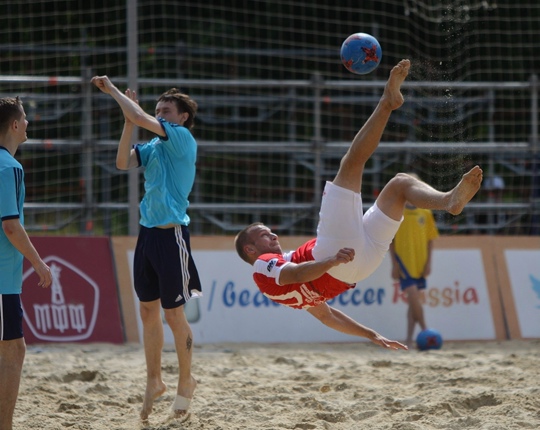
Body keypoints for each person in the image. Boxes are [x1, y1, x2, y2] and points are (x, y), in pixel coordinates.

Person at [235, 60, 483, 350]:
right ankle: (387, 102)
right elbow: (297, 273)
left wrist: (370, 334)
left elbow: (327, 316)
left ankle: (448, 200)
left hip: (359, 267)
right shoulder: (262, 265)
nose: (273, 235)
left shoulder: (278, 287)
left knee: (400, 185)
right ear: (250, 250)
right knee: (351, 163)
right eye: (264, 235)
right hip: (335, 258)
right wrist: (331, 261)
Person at [91, 77, 202, 421]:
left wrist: (113, 92)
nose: (161, 115)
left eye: (166, 111)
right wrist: (129, 121)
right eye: (158, 111)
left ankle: (186, 380)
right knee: (147, 312)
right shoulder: (154, 145)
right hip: (147, 235)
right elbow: (122, 162)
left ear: (182, 117)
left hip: (172, 236)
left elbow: (140, 117)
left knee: (174, 315)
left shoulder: (181, 138)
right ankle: (154, 380)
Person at [0, 96, 53, 430]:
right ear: (15, 124)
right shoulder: (9, 167)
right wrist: (38, 263)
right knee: (13, 349)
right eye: (25, 118)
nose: (29, 123)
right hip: (2, 278)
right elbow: (11, 225)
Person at [389, 173, 440, 347]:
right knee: (413, 297)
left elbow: (431, 240)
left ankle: (409, 340)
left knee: (413, 303)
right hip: (403, 262)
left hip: (420, 262)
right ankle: (426, 330)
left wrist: (429, 263)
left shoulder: (425, 212)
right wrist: (394, 264)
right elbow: (391, 241)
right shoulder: (397, 211)